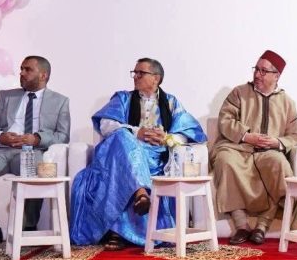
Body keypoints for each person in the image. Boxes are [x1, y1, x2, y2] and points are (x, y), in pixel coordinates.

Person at [70, 58, 207, 249]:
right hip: (119, 156)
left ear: (156, 78)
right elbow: (106, 124)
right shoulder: (123, 98)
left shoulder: (171, 102)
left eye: (141, 73)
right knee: (122, 138)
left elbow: (189, 131)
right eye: (134, 73)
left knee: (125, 162)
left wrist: (167, 137)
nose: (135, 76)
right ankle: (140, 193)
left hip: (156, 158)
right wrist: (136, 133)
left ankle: (121, 231)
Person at [0, 56, 70, 248]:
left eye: (28, 70)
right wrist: (1, 136)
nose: (22, 73)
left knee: (35, 172)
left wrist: (37, 138)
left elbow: (63, 135)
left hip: (31, 150)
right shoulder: (6, 96)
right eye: (21, 69)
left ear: (43, 75)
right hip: (1, 148)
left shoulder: (60, 101)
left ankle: (28, 228)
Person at [211, 50, 297, 245]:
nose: (257, 74)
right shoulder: (239, 93)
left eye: (263, 71)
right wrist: (247, 136)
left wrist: (277, 142)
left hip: (269, 152)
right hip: (238, 147)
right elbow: (225, 120)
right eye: (256, 69)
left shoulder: (287, 102)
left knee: (279, 165)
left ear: (276, 76)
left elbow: (296, 136)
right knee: (225, 160)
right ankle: (241, 225)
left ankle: (262, 225)